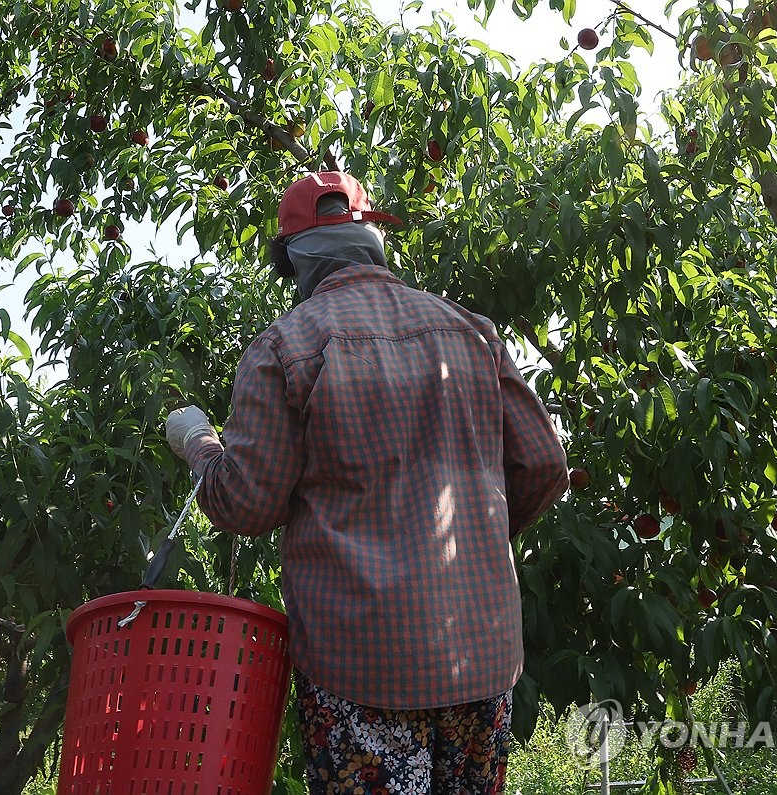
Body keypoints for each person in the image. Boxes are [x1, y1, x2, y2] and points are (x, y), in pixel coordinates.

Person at [164, 171, 568, 794]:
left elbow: (246, 504)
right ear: (374, 241)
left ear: (294, 262)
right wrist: (475, 535)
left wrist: (198, 444)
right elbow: (543, 465)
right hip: (480, 657)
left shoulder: (288, 347)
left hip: (362, 666)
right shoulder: (471, 331)